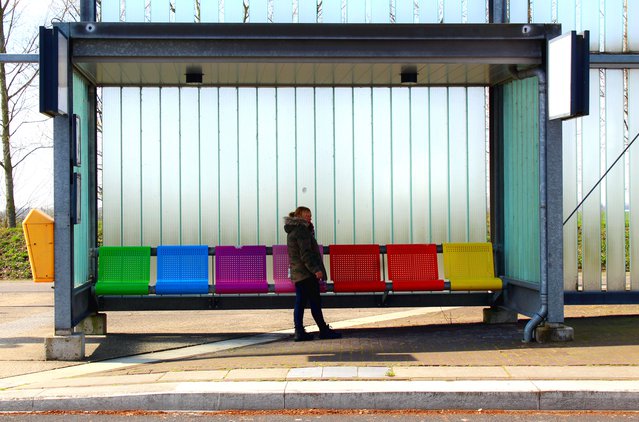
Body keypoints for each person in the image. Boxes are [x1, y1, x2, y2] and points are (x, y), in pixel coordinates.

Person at [284, 206, 341, 341]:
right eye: (306, 215)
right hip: (306, 274)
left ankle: (300, 331)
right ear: (299, 216)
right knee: (314, 302)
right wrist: (316, 270)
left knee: (301, 303)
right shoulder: (301, 231)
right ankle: (322, 330)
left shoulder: (295, 230)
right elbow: (306, 254)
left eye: (310, 215)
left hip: (299, 273)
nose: (310, 217)